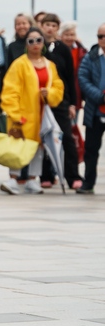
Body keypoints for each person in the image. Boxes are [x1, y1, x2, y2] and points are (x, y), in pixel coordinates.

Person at [0, 28, 64, 195]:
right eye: (31, 41)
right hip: (23, 113)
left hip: (42, 113)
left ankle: (32, 179)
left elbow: (58, 87)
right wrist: (14, 113)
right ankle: (13, 178)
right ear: (26, 44)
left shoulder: (50, 66)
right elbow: (10, 90)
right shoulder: (19, 64)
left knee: (38, 147)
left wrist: (49, 94)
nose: (35, 44)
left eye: (38, 40)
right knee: (17, 144)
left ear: (43, 43)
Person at [40, 13, 80, 189]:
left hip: (61, 100)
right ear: (42, 26)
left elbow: (70, 78)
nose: (50, 28)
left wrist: (72, 103)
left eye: (53, 25)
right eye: (47, 24)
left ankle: (72, 176)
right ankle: (45, 175)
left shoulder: (63, 49)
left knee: (67, 138)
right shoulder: (36, 45)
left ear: (57, 28)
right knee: (43, 138)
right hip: (40, 100)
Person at [76, 24, 105, 195]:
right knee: (91, 149)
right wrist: (100, 97)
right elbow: (83, 78)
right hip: (95, 111)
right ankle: (88, 183)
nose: (103, 40)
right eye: (100, 36)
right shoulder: (91, 57)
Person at [61, 22, 87, 109]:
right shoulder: (56, 51)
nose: (69, 37)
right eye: (66, 35)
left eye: (72, 35)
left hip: (77, 93)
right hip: (60, 93)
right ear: (61, 36)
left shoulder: (82, 52)